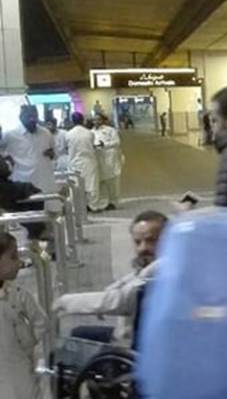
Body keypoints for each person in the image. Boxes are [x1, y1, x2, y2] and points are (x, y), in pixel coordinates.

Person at [53, 211, 167, 346]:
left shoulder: (162, 269)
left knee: (76, 343)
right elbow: (131, 281)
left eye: (151, 240)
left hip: (139, 346)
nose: (143, 248)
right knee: (79, 332)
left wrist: (65, 302)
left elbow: (120, 300)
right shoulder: (156, 266)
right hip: (138, 336)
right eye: (137, 242)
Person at [0, 232, 49, 399]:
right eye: (13, 257)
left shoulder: (19, 295)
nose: (19, 262)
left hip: (21, 370)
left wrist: (30, 346)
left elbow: (41, 323)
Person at [0, 106, 57, 212]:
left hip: (45, 180)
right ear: (21, 117)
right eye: (29, 116)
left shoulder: (46, 133)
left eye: (35, 116)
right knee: (28, 219)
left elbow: (54, 152)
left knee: (51, 215)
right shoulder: (9, 135)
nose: (32, 119)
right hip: (24, 183)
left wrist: (52, 153)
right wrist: (7, 159)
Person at [65, 113, 104, 213]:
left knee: (75, 186)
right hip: (89, 161)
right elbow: (92, 145)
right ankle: (93, 206)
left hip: (74, 162)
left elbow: (67, 148)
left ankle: (76, 207)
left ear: (72, 121)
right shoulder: (89, 133)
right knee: (92, 185)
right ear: (83, 120)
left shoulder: (68, 134)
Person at [93, 114, 122, 211]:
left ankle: (113, 202)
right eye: (95, 120)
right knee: (99, 184)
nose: (97, 122)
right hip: (98, 161)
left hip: (110, 160)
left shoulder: (110, 130)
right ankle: (101, 203)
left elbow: (117, 142)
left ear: (103, 120)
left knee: (112, 183)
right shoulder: (91, 132)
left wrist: (105, 144)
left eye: (98, 120)